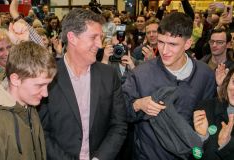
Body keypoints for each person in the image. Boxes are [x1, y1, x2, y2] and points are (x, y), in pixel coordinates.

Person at [123, 12, 216, 160]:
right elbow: (121, 111)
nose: (164, 51)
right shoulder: (140, 74)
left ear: (188, 43)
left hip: (189, 155)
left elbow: (211, 120)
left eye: (172, 44)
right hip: (148, 155)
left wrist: (204, 135)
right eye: (161, 42)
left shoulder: (205, 75)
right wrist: (138, 104)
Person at [39, 8, 127, 160]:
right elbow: (41, 130)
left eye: (101, 38)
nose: (99, 45)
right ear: (72, 38)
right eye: (93, 38)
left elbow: (119, 125)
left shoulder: (109, 75)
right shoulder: (47, 76)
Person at [0, 41, 56, 160]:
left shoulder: (26, 101)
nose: (45, 93)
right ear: (15, 79)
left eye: (47, 85)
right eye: (39, 85)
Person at [194, 65, 234, 160]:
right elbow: (190, 154)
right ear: (227, 82)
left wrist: (225, 145)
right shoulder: (205, 108)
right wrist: (201, 137)